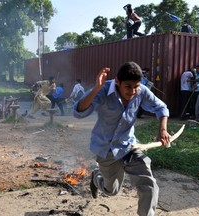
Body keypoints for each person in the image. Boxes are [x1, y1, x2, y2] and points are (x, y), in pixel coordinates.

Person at [73, 61, 170, 216]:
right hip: (106, 149)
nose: (133, 91)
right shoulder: (103, 90)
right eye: (128, 87)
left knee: (148, 182)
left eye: (136, 86)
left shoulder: (141, 91)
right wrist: (96, 88)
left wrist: (163, 129)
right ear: (117, 81)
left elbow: (161, 107)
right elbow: (78, 112)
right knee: (111, 190)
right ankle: (96, 177)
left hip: (129, 146)